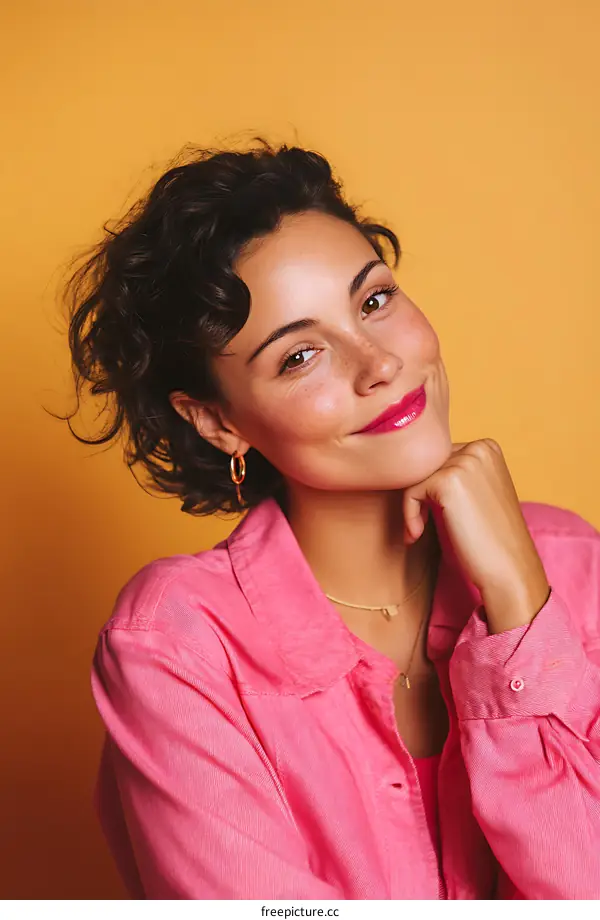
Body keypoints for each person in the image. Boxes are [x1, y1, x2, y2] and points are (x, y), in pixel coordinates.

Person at [61, 138, 600, 900]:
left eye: (374, 301)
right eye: (299, 356)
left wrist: (520, 607)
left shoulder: (577, 568)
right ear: (217, 422)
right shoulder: (179, 645)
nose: (378, 363)